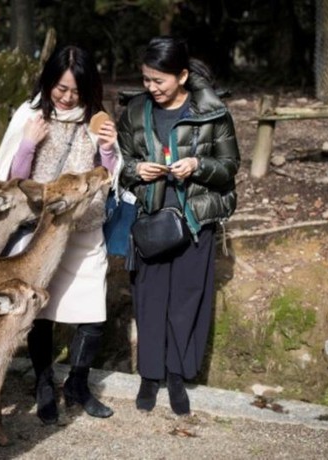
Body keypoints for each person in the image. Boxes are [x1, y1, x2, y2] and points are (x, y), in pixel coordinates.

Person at [0, 45, 122, 424]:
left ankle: (78, 382)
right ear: (49, 82)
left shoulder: (97, 120)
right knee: (41, 311)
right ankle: (44, 380)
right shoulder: (29, 114)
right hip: (42, 230)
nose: (66, 97)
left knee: (93, 314)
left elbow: (109, 177)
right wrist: (29, 142)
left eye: (75, 91)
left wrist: (109, 149)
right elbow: (13, 179)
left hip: (83, 228)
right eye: (60, 89)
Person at [117, 36, 240, 416]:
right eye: (146, 80)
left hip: (194, 222)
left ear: (182, 75)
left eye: (159, 80)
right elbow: (119, 166)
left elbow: (230, 168)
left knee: (186, 303)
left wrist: (199, 166)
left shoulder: (213, 113)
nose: (151, 88)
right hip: (151, 223)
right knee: (150, 302)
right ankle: (149, 376)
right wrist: (137, 170)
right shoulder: (136, 111)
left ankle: (176, 376)